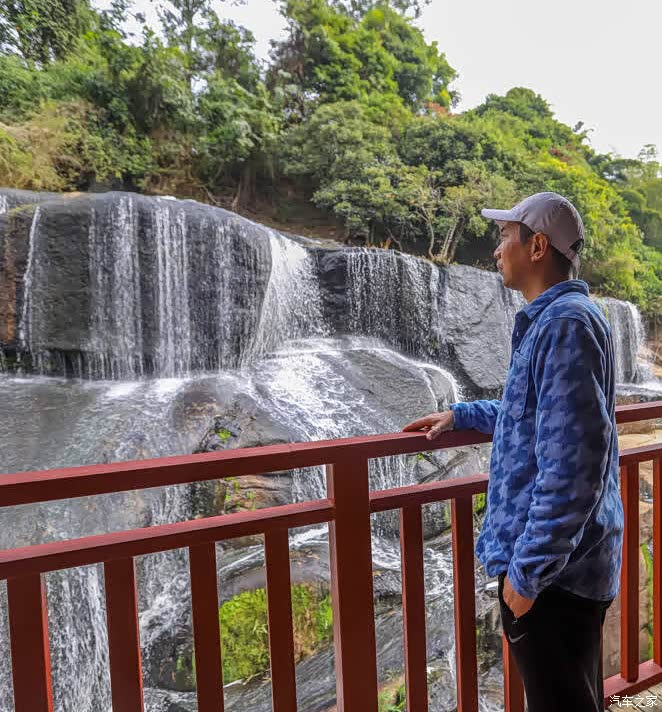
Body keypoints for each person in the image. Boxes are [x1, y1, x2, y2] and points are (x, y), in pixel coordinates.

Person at [403, 192, 623, 712]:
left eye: (505, 236)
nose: (497, 249)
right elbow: (535, 413)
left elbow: (574, 465)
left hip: (554, 576)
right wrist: (462, 415)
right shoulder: (562, 319)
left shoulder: (565, 325)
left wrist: (528, 574)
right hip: (565, 566)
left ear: (538, 246)